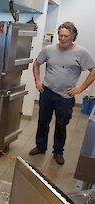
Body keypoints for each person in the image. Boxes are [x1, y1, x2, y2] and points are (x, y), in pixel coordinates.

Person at [29, 21, 95, 165]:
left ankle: (58, 152)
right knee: (43, 122)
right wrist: (38, 81)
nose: (62, 39)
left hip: (65, 98)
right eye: (60, 36)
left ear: (73, 36)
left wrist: (81, 88)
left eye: (66, 36)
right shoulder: (49, 50)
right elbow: (36, 63)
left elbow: (93, 70)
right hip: (47, 93)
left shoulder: (81, 53)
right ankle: (40, 146)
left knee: (61, 125)